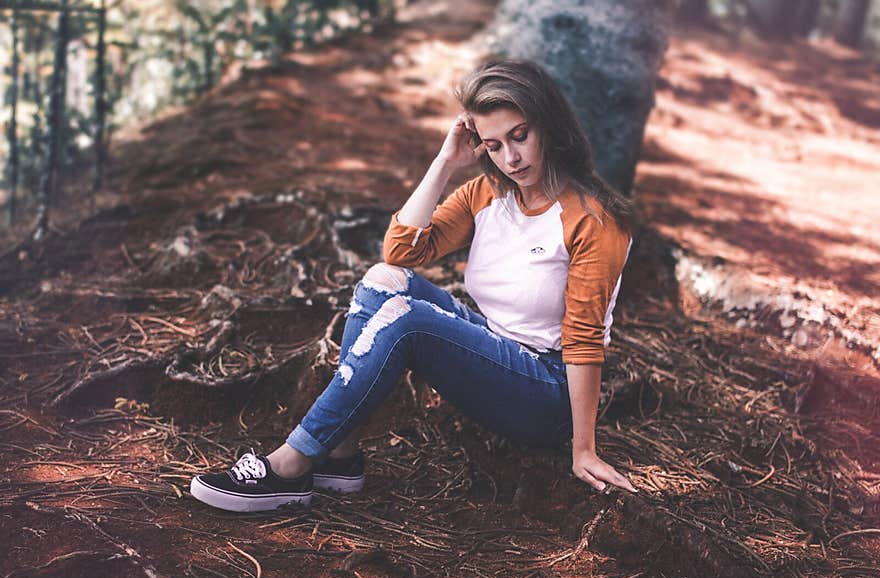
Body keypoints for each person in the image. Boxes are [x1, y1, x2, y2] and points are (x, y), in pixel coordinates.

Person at [190, 58, 638, 513]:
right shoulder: (487, 195)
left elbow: (583, 340)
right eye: (494, 145)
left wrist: (583, 448)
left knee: (409, 321)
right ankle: (340, 455)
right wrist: (446, 161)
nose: (511, 158)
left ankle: (289, 464)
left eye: (520, 136)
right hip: (497, 346)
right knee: (383, 282)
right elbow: (401, 251)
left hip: (547, 388)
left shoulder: (593, 220)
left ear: (549, 124)